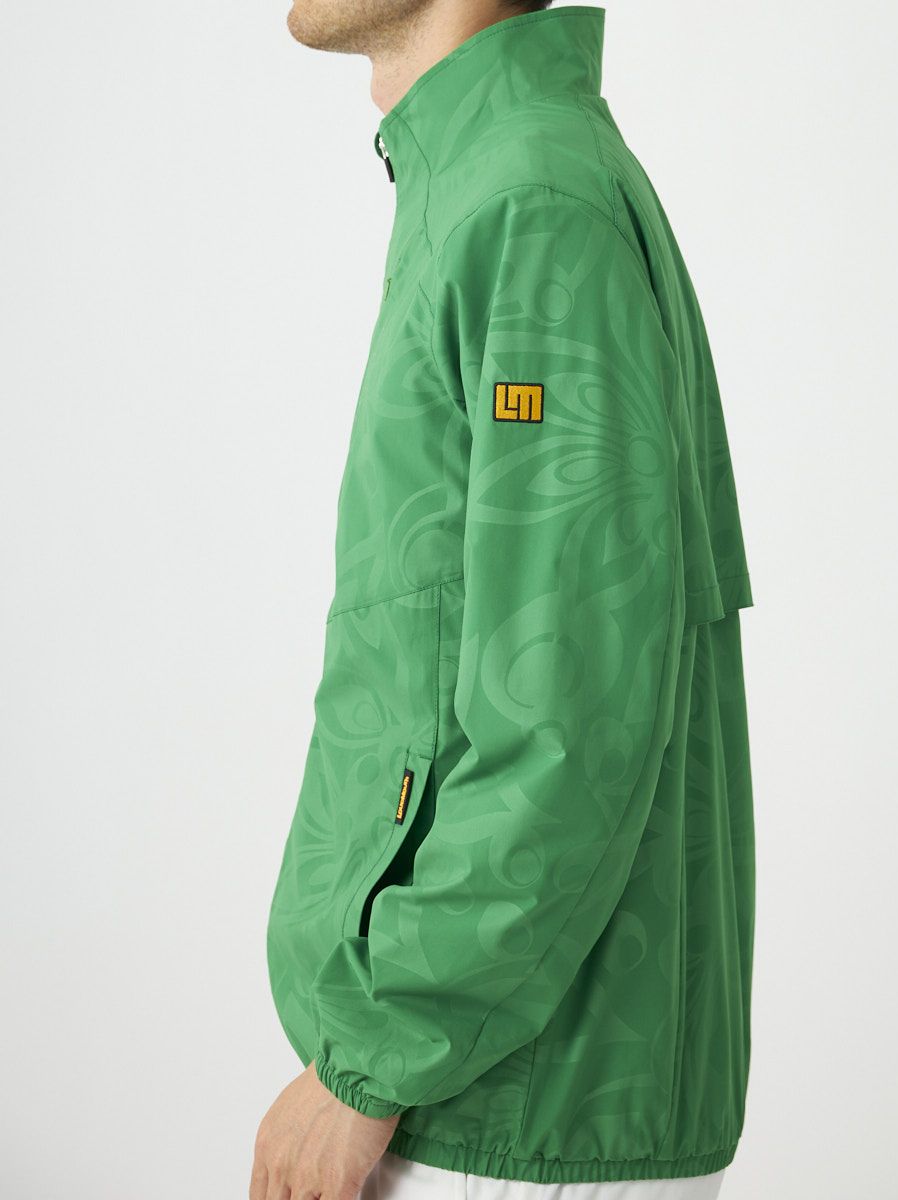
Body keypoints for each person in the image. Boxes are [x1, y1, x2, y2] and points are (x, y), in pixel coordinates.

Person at [253, 3, 756, 1198]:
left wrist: (367, 1063)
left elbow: (572, 712)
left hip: (511, 1109)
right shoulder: (485, 183)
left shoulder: (529, 202)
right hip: (473, 1083)